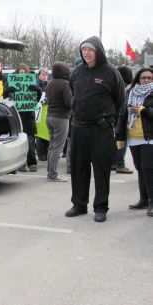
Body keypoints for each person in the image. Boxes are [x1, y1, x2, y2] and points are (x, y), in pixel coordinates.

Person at [65, 36, 125, 222]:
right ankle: (79, 204)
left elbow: (120, 100)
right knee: (78, 168)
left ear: (98, 51)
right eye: (84, 50)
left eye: (90, 49)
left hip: (101, 129)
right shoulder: (77, 72)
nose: (86, 53)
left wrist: (111, 121)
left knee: (101, 169)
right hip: (79, 128)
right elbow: (73, 96)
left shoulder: (111, 72)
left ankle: (101, 207)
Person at [116, 67, 153, 215]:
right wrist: (120, 136)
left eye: (149, 78)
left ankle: (152, 201)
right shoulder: (131, 92)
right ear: (138, 78)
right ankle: (143, 200)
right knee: (140, 169)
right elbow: (123, 114)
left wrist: (143, 110)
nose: (146, 80)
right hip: (133, 136)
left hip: (149, 137)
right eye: (143, 77)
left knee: (148, 169)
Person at [46, 62, 72, 182]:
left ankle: (50, 172)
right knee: (58, 147)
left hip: (49, 116)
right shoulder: (65, 84)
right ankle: (53, 174)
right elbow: (68, 102)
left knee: (52, 146)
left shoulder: (50, 83)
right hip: (61, 117)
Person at [14, 63, 40, 172]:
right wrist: (8, 90)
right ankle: (21, 164)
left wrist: (37, 90)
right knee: (19, 143)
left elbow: (37, 99)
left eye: (24, 70)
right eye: (20, 70)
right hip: (17, 117)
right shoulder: (13, 81)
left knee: (30, 142)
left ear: (27, 71)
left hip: (28, 117)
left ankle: (32, 163)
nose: (22, 72)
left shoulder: (32, 81)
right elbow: (4, 95)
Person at [111, 66, 134, 174]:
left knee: (115, 141)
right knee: (122, 141)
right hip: (123, 118)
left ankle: (113, 162)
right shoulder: (129, 88)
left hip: (113, 117)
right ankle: (120, 164)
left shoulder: (114, 85)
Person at [34, 69, 50, 161]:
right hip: (39, 111)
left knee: (47, 133)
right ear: (39, 76)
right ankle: (40, 153)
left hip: (47, 111)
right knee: (40, 134)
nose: (44, 76)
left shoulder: (49, 85)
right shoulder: (36, 85)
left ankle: (46, 152)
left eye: (46, 75)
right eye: (43, 74)